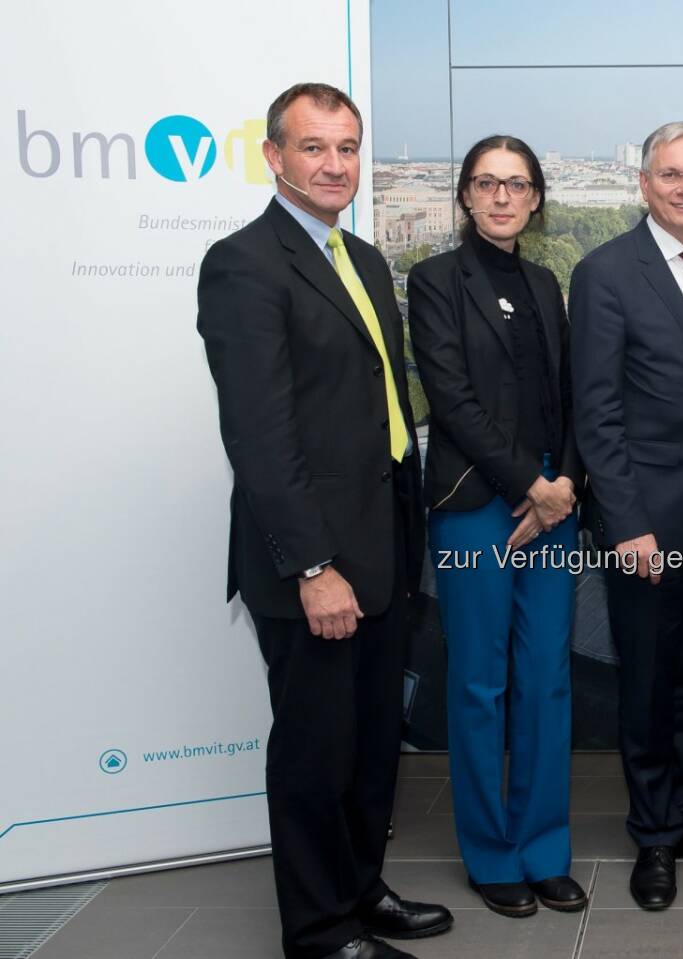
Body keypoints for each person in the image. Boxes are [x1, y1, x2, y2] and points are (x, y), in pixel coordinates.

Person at [197, 82, 452, 959]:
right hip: (316, 564)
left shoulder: (366, 260)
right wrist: (313, 565)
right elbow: (261, 440)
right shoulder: (245, 264)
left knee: (371, 744)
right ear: (274, 156)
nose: (334, 164)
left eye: (347, 147)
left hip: (382, 548)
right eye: (314, 148)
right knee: (314, 754)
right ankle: (317, 930)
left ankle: (359, 889)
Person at [570, 121, 683, 910]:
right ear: (643, 184)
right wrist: (626, 521)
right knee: (648, 683)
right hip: (647, 520)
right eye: (671, 174)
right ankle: (653, 834)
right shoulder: (605, 272)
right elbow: (597, 410)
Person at [407, 135, 586, 918]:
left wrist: (566, 483)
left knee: (546, 676)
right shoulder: (435, 280)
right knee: (480, 683)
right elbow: (451, 399)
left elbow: (574, 394)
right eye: (487, 183)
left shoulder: (548, 283)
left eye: (517, 184)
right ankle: (491, 853)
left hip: (552, 496)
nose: (503, 197)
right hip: (480, 499)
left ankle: (544, 846)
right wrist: (534, 487)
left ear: (537, 196)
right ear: (466, 197)